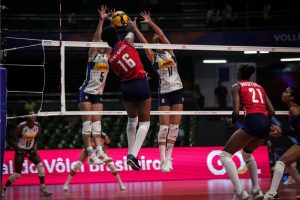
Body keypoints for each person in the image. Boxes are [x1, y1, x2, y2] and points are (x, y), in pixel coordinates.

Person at [130, 11, 184, 173]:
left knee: (174, 127)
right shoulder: (153, 57)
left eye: (158, 39)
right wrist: (135, 28)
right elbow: (144, 41)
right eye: (154, 41)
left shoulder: (170, 52)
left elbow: (160, 33)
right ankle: (161, 160)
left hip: (178, 90)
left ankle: (168, 158)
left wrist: (150, 22)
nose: (156, 40)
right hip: (165, 93)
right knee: (164, 127)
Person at [219, 64, 275, 200]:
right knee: (247, 154)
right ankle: (256, 190)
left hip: (254, 121)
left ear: (239, 74)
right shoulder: (260, 87)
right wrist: (263, 123)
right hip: (265, 123)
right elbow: (272, 111)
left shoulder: (237, 86)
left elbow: (236, 112)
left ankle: (240, 192)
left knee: (225, 155)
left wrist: (231, 121)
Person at [101, 20, 151, 171]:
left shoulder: (110, 59)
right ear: (117, 35)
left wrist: (107, 21)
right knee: (145, 123)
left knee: (132, 120)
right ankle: (133, 155)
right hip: (140, 83)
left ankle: (130, 153)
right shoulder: (128, 42)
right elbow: (130, 28)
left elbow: (118, 73)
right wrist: (128, 22)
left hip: (126, 87)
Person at [78, 5, 112, 165]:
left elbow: (111, 38)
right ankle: (91, 154)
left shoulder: (108, 55)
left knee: (97, 126)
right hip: (86, 92)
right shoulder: (93, 55)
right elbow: (96, 38)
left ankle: (100, 152)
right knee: (87, 125)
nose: (100, 45)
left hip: (98, 94)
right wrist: (101, 20)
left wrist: (111, 23)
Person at [1, 111, 52, 197]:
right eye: (30, 115)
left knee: (40, 167)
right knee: (17, 174)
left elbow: (36, 138)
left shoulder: (38, 126)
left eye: (34, 115)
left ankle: (43, 189)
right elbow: (12, 141)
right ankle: (4, 188)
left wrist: (34, 147)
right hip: (20, 151)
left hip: (31, 150)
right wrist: (21, 151)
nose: (33, 116)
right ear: (26, 117)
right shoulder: (20, 127)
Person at [264, 87, 300, 199]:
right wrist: (282, 132)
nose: (283, 93)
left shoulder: (294, 110)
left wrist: (282, 132)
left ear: (292, 97)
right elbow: (296, 131)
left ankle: (272, 193)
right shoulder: (293, 109)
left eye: (286, 92)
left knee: (280, 163)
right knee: (287, 164)